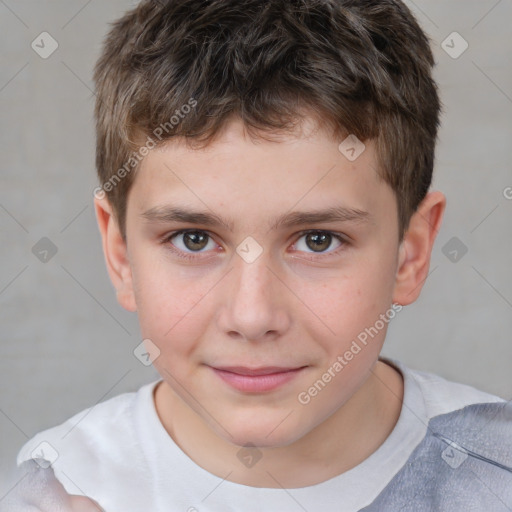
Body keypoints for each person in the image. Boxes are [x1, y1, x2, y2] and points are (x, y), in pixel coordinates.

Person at [5, 0, 512, 510]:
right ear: (120, 254)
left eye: (318, 240)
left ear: (411, 253)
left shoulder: (496, 471)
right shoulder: (58, 490)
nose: (252, 317)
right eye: (193, 239)